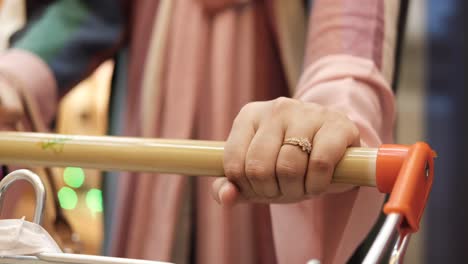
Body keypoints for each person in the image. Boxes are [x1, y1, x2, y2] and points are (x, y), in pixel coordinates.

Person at [0, 0, 403, 263]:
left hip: (280, 111)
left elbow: (351, 26)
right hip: (150, 113)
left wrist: (330, 116)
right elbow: (90, 11)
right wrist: (12, 79)